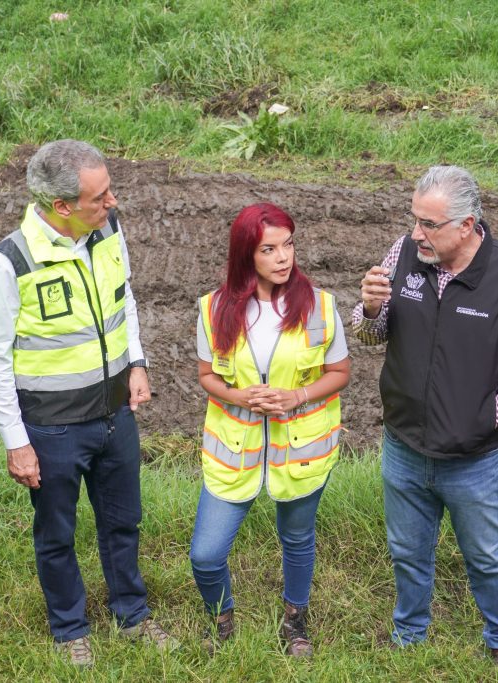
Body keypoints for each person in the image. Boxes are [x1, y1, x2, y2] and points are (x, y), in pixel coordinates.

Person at [0, 139, 175, 667]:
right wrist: (17, 443)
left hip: (115, 416)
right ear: (61, 206)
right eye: (99, 196)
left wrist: (137, 363)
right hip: (52, 429)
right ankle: (70, 630)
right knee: (57, 533)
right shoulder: (8, 265)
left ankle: (132, 616)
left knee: (123, 522)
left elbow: (123, 297)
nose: (112, 202)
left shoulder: (107, 231)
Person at [354, 165, 498, 670]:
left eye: (429, 224)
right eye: (414, 219)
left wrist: (487, 416)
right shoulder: (403, 255)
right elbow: (368, 334)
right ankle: (409, 633)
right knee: (407, 550)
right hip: (403, 444)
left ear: (467, 225)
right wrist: (369, 309)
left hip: (472, 458)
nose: (416, 233)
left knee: (485, 555)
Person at [190, 202, 350, 657]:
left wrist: (296, 396)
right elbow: (207, 375)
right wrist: (240, 397)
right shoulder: (214, 308)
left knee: (297, 539)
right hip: (233, 451)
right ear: (246, 254)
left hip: (300, 450)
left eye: (289, 245)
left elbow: (339, 370)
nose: (284, 257)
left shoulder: (320, 305)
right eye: (269, 249)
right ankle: (222, 619)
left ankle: (295, 621)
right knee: (206, 554)